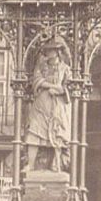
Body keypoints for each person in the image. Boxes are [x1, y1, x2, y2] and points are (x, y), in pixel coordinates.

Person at [23, 42, 72, 172]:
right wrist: (54, 87)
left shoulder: (65, 68)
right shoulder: (41, 67)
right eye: (48, 50)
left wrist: (59, 90)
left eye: (52, 50)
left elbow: (69, 88)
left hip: (56, 106)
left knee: (57, 134)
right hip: (41, 105)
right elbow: (37, 81)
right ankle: (31, 164)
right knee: (34, 130)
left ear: (58, 52)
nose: (49, 53)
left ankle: (57, 164)